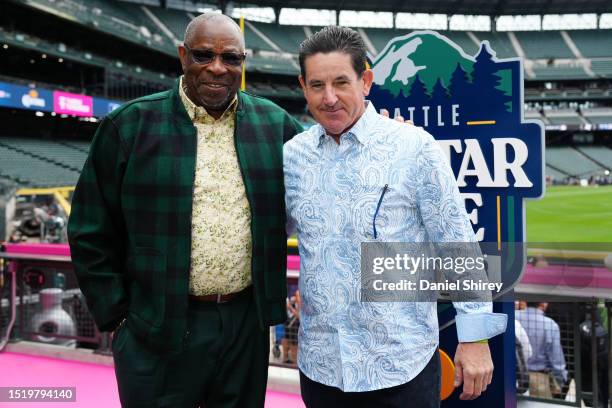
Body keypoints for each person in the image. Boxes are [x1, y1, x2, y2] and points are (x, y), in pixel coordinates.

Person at [67, 13, 301, 408]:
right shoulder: (130, 125)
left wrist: (375, 134)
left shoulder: (276, 124)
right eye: (203, 54)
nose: (217, 67)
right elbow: (91, 227)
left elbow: (327, 171)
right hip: (154, 324)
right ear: (182, 55)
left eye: (231, 58)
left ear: (243, 62)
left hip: (245, 323)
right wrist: (118, 318)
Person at [284, 26, 507, 408]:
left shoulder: (414, 147)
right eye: (317, 84)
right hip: (322, 368)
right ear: (304, 86)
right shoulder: (292, 157)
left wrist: (475, 338)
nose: (330, 97)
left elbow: (457, 243)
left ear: (366, 80)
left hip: (401, 367)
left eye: (341, 82)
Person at [516, 302, 568, 399]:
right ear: (544, 304)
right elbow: (557, 359)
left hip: (514, 376)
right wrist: (560, 380)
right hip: (540, 381)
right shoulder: (550, 324)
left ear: (525, 302)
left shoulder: (514, 317)